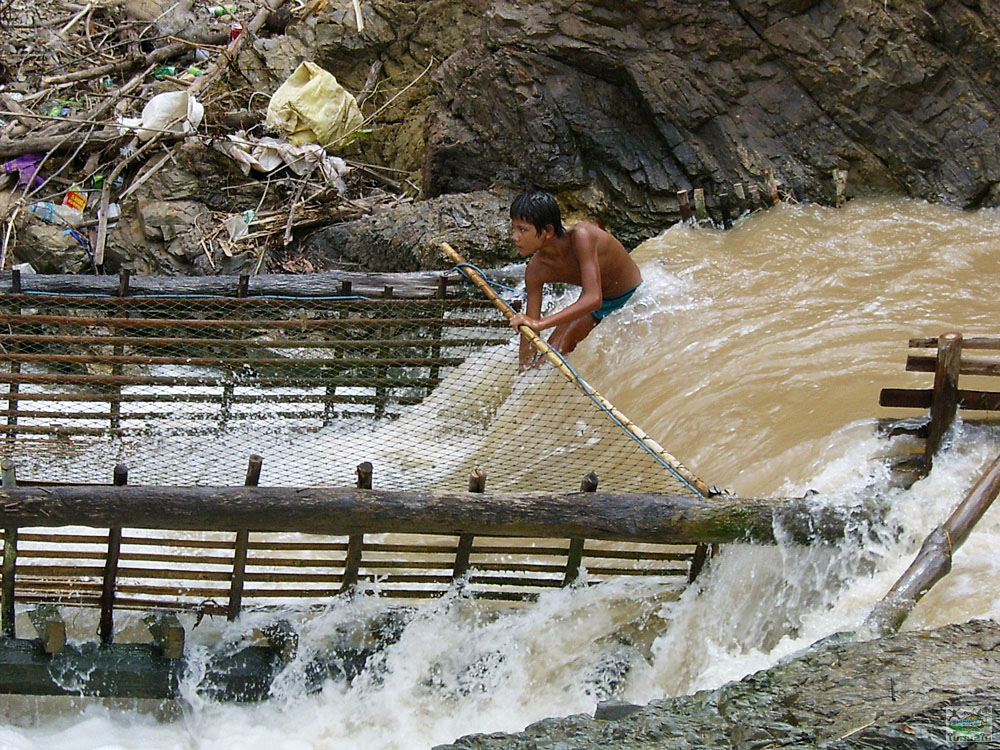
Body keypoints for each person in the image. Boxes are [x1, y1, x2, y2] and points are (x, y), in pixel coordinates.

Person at [508, 190, 642, 369]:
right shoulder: (535, 269)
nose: (515, 237)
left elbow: (593, 298)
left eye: (522, 230)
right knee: (545, 363)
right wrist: (523, 368)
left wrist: (540, 323)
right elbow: (530, 327)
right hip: (597, 304)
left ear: (547, 231)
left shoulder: (582, 236)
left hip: (631, 296)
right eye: (514, 228)